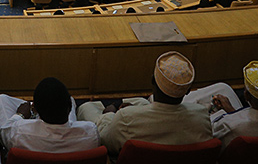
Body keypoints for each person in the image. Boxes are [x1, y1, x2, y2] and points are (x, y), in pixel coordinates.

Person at [76, 51, 211, 156]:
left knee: (86, 107)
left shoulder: (126, 118)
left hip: (117, 133)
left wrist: (109, 114)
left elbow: (105, 140)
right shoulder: (202, 115)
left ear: (152, 80)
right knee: (140, 101)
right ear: (187, 91)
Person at [0, 77, 99, 152]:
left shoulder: (18, 134)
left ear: (36, 110)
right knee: (70, 98)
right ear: (69, 108)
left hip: (26, 128)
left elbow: (3, 132)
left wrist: (20, 115)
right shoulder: (91, 134)